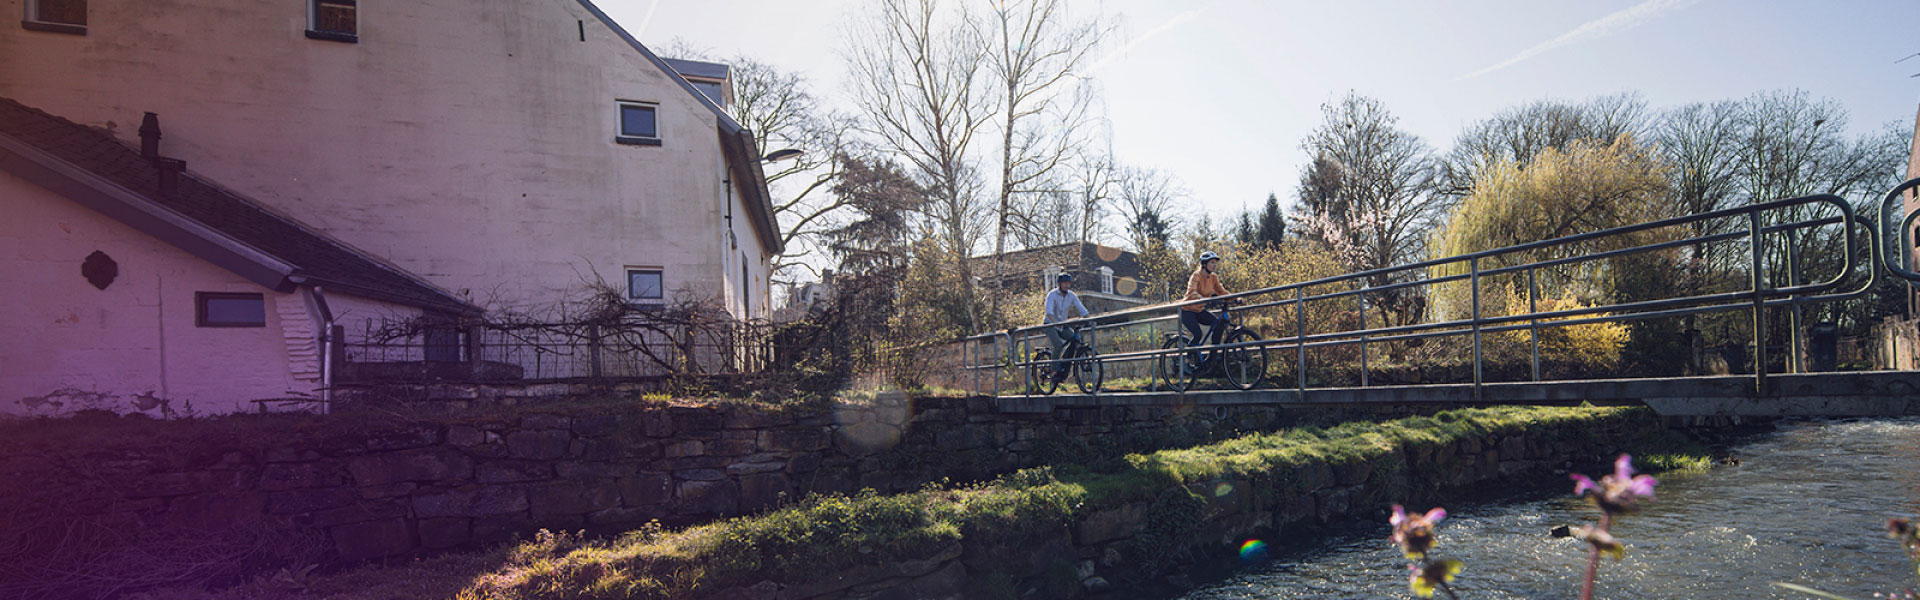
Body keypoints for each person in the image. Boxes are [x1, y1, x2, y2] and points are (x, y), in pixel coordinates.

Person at [1180, 251, 1230, 370]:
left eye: (1215, 263)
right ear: (1204, 264)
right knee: (1198, 334)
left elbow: (1221, 292)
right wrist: (1203, 298)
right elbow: (1192, 291)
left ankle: (1212, 356)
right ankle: (1187, 360)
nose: (1214, 265)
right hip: (1187, 310)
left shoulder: (1213, 277)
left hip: (1199, 310)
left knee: (1218, 324)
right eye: (1212, 263)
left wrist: (1235, 298)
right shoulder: (1196, 276)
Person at [1043, 272, 1091, 381]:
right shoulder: (1052, 295)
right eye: (1064, 283)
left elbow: (1081, 309)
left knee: (1074, 340)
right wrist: (1056, 323)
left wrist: (1089, 319)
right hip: (1050, 324)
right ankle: (1054, 372)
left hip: (1062, 325)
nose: (1067, 286)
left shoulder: (1071, 295)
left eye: (1068, 283)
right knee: (1058, 344)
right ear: (1059, 284)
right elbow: (1049, 312)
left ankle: (1064, 362)